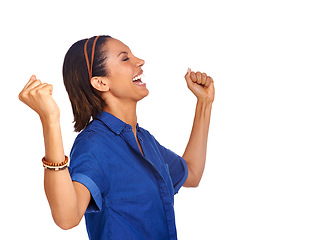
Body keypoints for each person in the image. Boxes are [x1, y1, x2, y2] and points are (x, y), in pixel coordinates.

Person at [18, 35, 215, 240]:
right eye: (125, 58)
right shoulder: (94, 145)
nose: (139, 61)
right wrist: (50, 121)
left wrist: (204, 103)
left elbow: (191, 173)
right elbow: (67, 217)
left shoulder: (145, 140)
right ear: (101, 82)